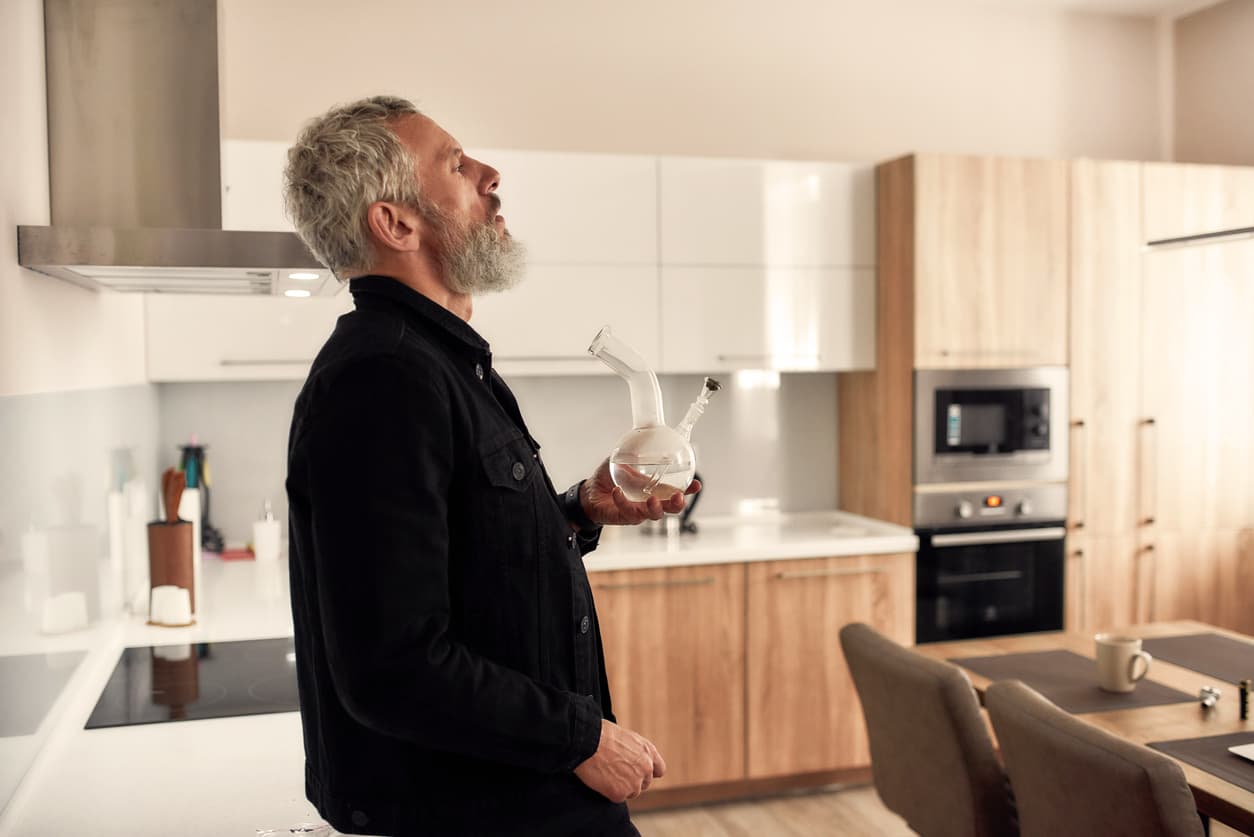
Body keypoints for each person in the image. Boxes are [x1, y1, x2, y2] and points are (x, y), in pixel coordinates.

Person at [282, 95, 697, 837]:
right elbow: (394, 665)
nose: (489, 173)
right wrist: (583, 737)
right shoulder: (383, 377)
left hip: (520, 793)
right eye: (455, 163)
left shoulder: (441, 362)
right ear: (397, 222)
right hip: (485, 809)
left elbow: (469, 558)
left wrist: (579, 507)